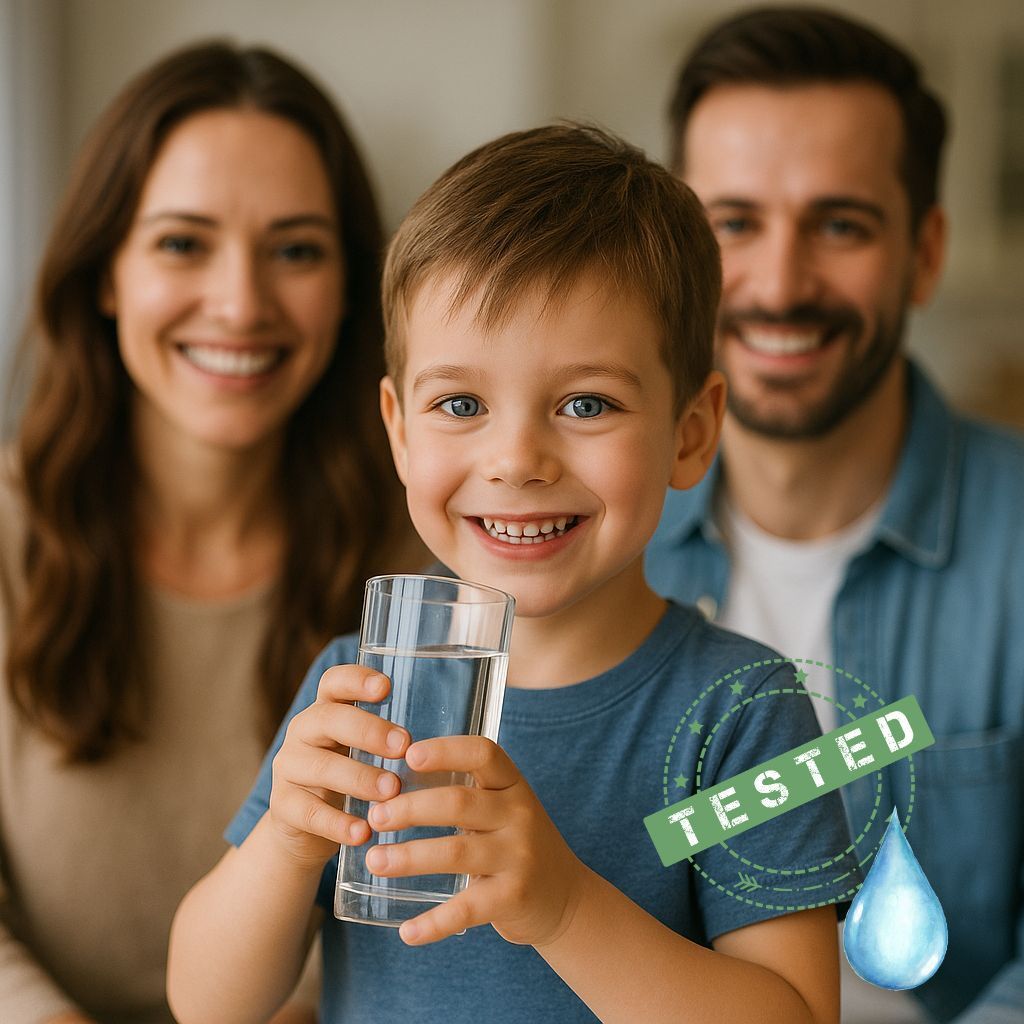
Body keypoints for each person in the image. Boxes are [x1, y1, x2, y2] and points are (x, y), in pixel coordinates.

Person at [168, 123, 863, 1024]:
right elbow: (206, 1004)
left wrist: (565, 909)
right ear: (399, 430)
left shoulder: (746, 714)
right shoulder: (361, 685)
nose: (516, 460)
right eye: (461, 403)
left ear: (690, 434)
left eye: (586, 403)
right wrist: (285, 843)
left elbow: (797, 1015)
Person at [0, 40, 423, 1024]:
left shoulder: (424, 569)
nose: (240, 304)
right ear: (105, 273)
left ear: (349, 288)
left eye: (296, 250)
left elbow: (414, 906)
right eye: (183, 244)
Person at [646, 8, 1024, 1024]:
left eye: (840, 225)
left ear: (924, 252)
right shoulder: (575, 544)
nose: (780, 285)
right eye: (733, 224)